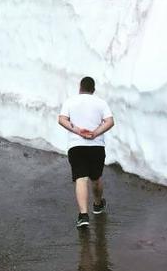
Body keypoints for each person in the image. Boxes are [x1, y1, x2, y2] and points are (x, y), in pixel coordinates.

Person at [58, 76, 114, 228]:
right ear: (93, 90)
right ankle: (97, 205)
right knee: (95, 178)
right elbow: (110, 121)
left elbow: (62, 119)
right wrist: (95, 133)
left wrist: (77, 131)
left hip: (76, 146)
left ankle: (83, 215)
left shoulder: (70, 101)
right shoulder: (101, 103)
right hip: (96, 146)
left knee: (81, 179)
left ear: (80, 88)